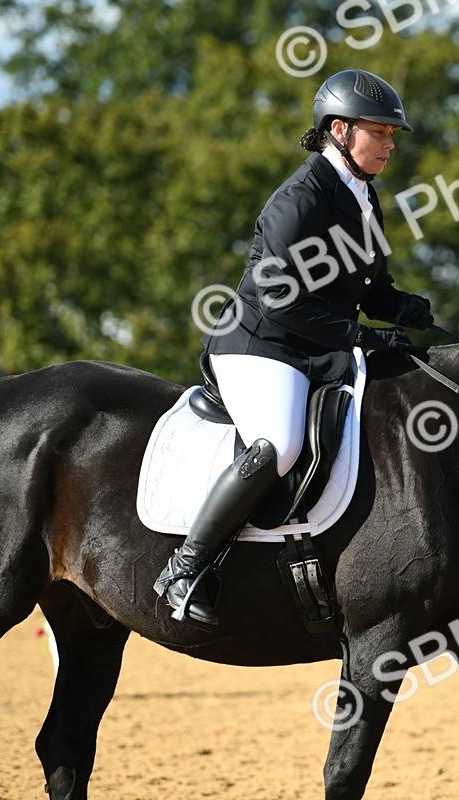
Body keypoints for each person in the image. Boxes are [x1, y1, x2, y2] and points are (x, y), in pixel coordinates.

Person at [154, 68, 433, 628]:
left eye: (391, 134)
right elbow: (280, 301)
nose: (388, 143)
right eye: (378, 132)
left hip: (315, 345)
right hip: (261, 345)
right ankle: (185, 568)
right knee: (278, 443)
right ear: (339, 130)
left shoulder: (363, 197)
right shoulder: (299, 199)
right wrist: (357, 334)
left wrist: (399, 306)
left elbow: (369, 288)